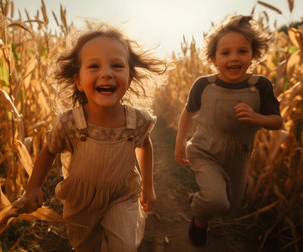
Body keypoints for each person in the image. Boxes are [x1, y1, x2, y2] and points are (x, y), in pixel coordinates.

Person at [18, 26, 165, 251]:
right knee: (85, 245)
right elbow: (49, 150)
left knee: (125, 245)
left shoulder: (137, 121)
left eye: (117, 66)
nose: (106, 73)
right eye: (94, 66)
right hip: (81, 200)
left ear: (130, 76)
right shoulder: (70, 123)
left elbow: (144, 145)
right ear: (78, 81)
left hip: (122, 194)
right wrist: (34, 186)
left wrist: (148, 187)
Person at [174, 15, 283, 247]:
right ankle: (199, 216)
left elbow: (277, 122)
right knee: (216, 201)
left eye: (242, 51)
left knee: (230, 205)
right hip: (205, 150)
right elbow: (188, 114)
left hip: (239, 155)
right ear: (213, 58)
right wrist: (180, 143)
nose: (234, 58)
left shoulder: (260, 86)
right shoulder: (204, 85)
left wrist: (257, 117)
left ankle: (202, 205)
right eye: (226, 53)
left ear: (253, 55)